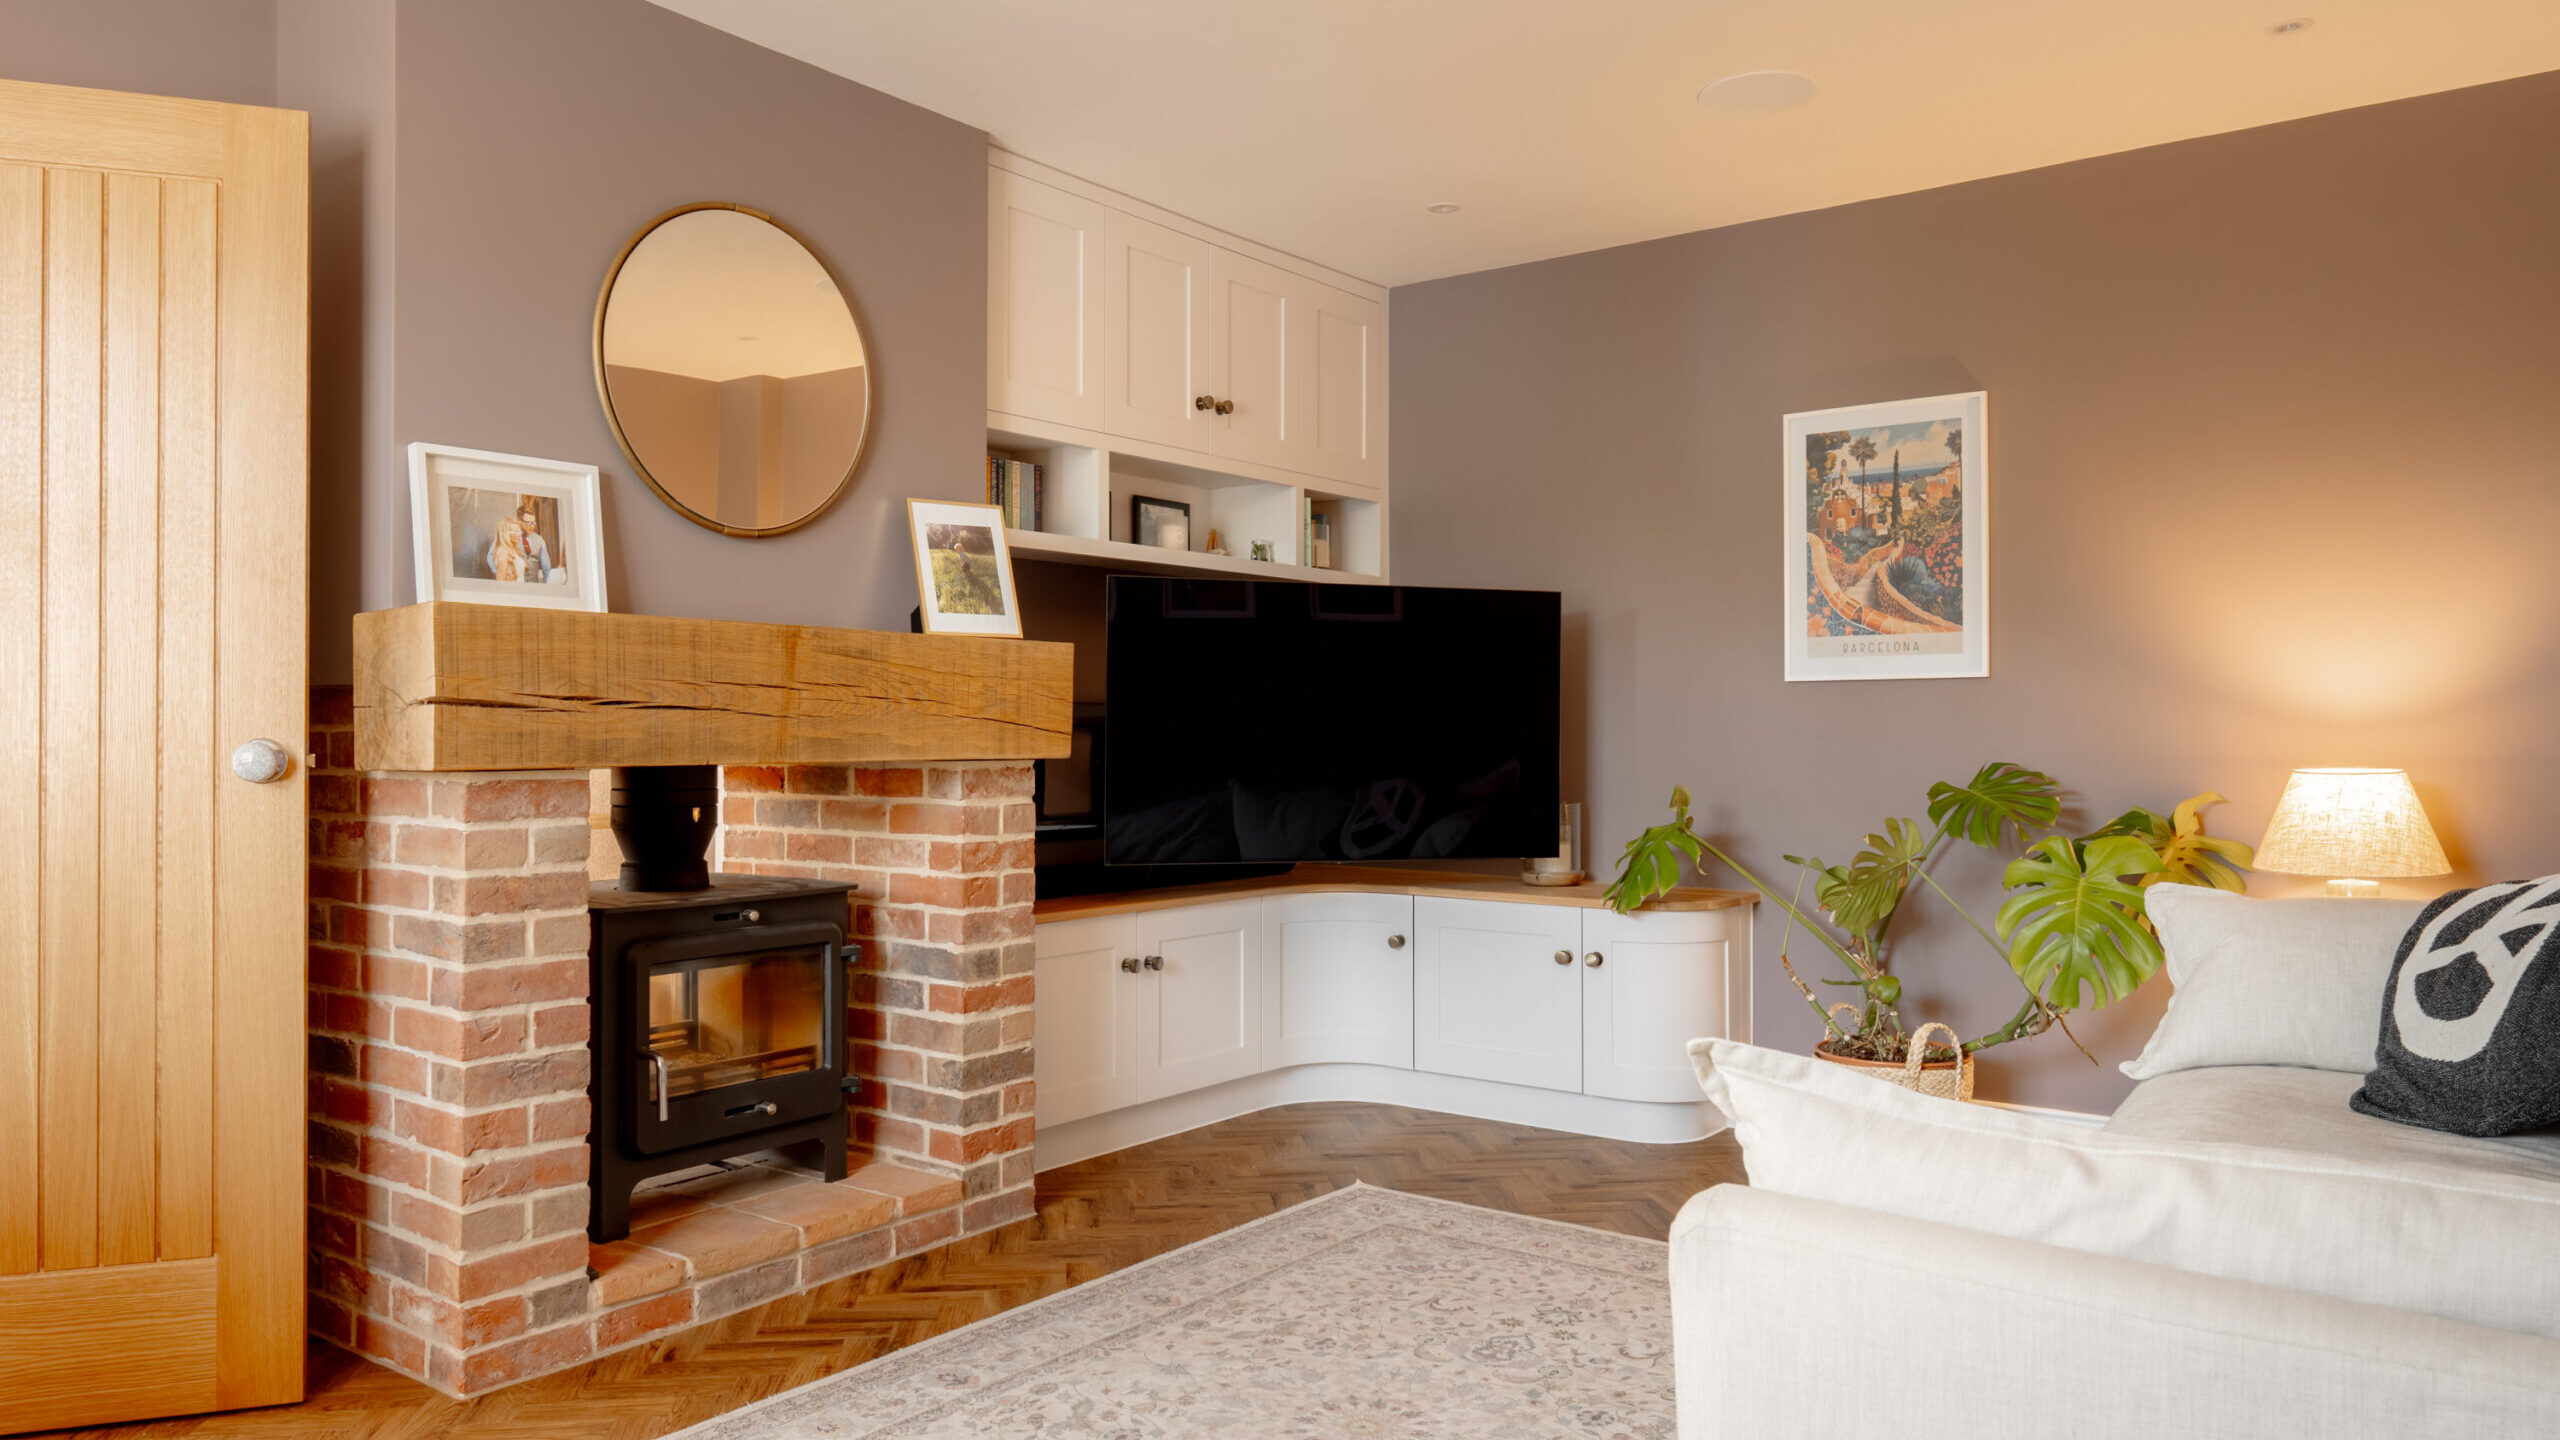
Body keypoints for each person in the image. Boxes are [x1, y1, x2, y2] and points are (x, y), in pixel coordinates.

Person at [512, 503, 552, 583]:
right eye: (528, 523)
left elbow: (546, 567)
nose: (531, 526)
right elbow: (492, 555)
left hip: (533, 586)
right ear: (519, 521)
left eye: (533, 523)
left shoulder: (540, 540)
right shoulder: (510, 535)